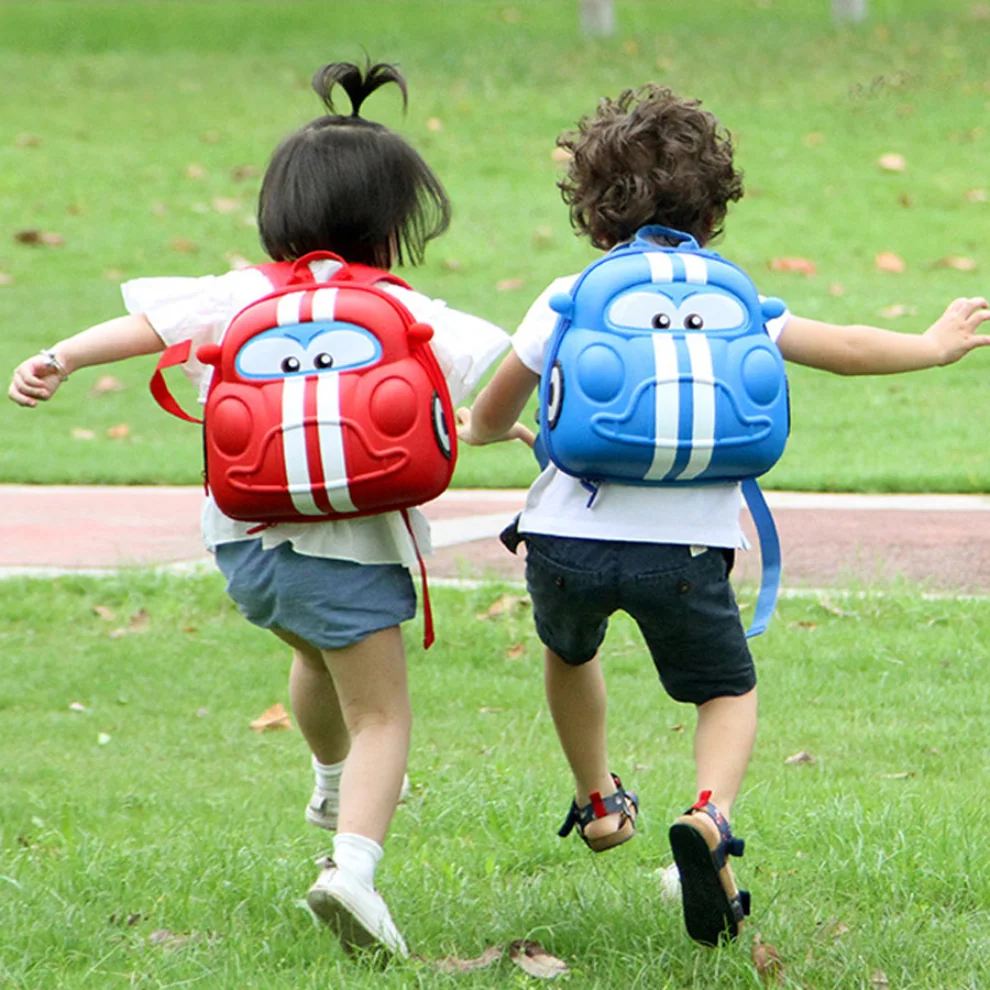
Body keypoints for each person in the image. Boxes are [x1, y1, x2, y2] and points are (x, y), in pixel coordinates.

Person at [456, 83, 990, 948]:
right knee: (726, 689)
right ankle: (709, 815)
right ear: (714, 209)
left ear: (592, 212)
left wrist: (487, 432)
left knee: (568, 651)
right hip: (689, 549)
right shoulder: (733, 297)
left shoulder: (571, 291)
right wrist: (931, 346)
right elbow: (847, 351)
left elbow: (493, 407)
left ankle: (597, 803)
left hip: (567, 540)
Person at [9, 60, 510, 959]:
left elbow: (146, 327)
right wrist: (504, 429)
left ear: (276, 212)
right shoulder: (405, 308)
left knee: (319, 656)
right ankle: (352, 873)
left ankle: (326, 780)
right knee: (384, 718)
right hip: (350, 554)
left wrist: (56, 357)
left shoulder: (241, 294)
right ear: (396, 222)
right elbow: (517, 366)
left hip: (245, 554)